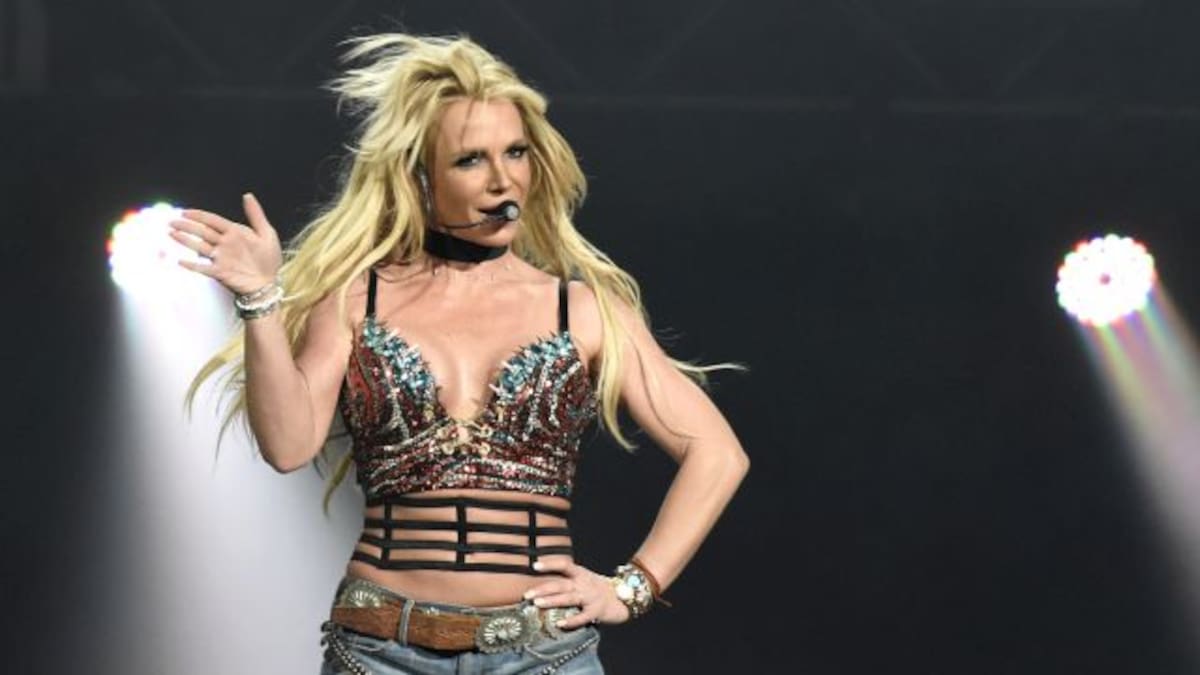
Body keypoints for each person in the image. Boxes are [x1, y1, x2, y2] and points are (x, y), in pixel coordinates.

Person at [175, 33, 748, 674]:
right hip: (380, 649)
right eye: (471, 160)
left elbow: (717, 452)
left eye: (515, 152)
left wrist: (632, 587)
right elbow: (287, 446)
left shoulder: (583, 309)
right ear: (420, 178)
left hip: (543, 653)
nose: (503, 178)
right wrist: (260, 299)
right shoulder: (357, 300)